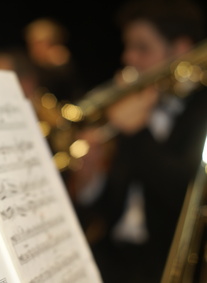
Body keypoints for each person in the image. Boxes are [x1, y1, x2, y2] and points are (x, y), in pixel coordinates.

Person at [70, 0, 207, 282]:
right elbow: (111, 209)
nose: (128, 57)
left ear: (181, 50)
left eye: (142, 47)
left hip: (166, 266)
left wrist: (136, 132)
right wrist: (90, 181)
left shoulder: (200, 110)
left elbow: (186, 197)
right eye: (128, 45)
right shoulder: (133, 107)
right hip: (113, 261)